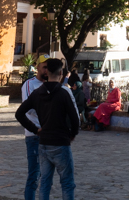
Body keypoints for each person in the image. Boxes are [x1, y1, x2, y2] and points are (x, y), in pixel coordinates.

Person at [15, 58, 79, 200]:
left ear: (47, 72)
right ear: (61, 73)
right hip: (60, 142)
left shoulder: (38, 93)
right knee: (67, 183)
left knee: (44, 182)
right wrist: (73, 133)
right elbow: (75, 118)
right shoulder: (64, 93)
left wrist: (36, 129)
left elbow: (19, 113)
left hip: (43, 142)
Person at [20, 55, 50, 200]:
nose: (46, 70)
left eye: (48, 67)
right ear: (37, 67)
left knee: (47, 175)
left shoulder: (51, 85)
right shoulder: (29, 84)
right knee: (34, 174)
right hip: (34, 135)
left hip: (50, 135)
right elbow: (28, 109)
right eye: (44, 67)